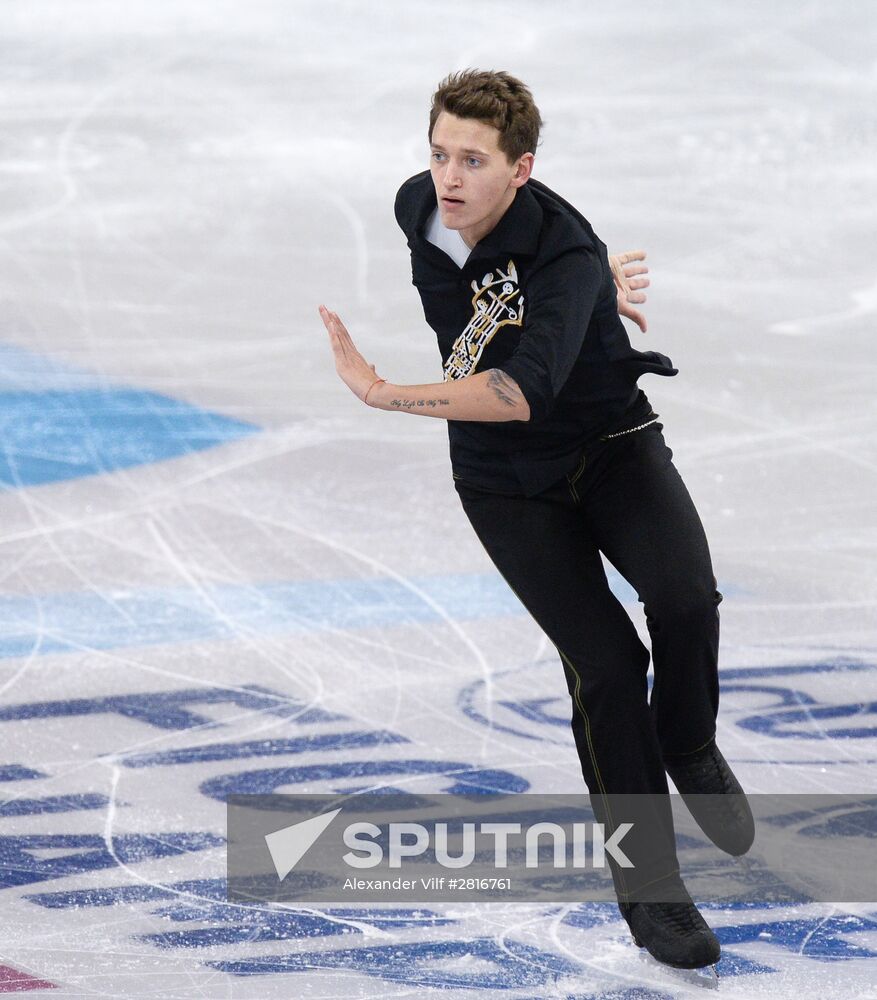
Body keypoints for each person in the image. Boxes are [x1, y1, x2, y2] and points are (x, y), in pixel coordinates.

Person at [318, 69, 753, 971]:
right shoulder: (419, 208)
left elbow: (517, 392)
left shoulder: (564, 254)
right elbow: (503, 326)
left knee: (686, 599)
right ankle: (652, 891)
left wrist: (382, 392)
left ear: (520, 170)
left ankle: (688, 739)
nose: (449, 178)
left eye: (473, 161)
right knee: (606, 667)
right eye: (439, 154)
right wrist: (589, 288)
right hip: (505, 483)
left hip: (609, 447)